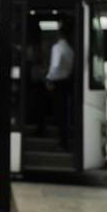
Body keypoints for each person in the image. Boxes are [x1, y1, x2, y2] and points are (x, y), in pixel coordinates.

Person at [44, 23, 74, 152]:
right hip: (66, 82)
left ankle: (62, 143)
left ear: (59, 34)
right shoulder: (70, 49)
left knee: (58, 113)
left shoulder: (57, 47)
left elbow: (55, 65)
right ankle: (63, 142)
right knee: (62, 113)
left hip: (57, 83)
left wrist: (49, 79)